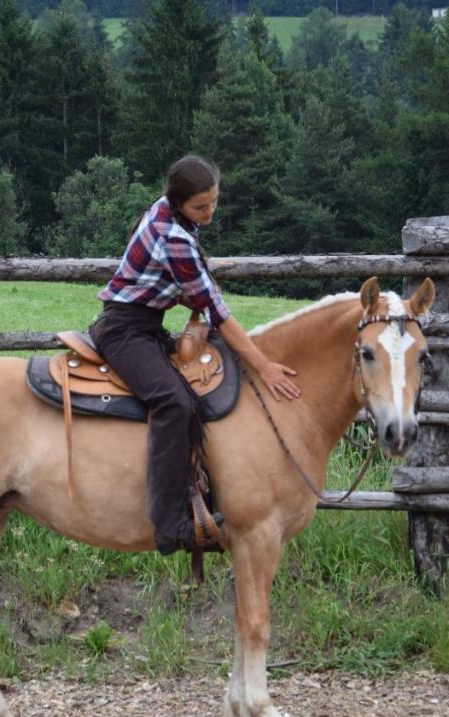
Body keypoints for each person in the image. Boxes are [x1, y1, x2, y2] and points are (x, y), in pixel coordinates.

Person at [89, 155, 301, 555]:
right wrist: (263, 365)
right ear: (179, 200)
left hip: (145, 326)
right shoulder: (173, 236)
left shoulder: (169, 212)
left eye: (215, 202)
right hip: (124, 330)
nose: (210, 213)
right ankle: (169, 525)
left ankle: (203, 493)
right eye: (201, 207)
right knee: (172, 401)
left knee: (192, 391)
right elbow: (216, 311)